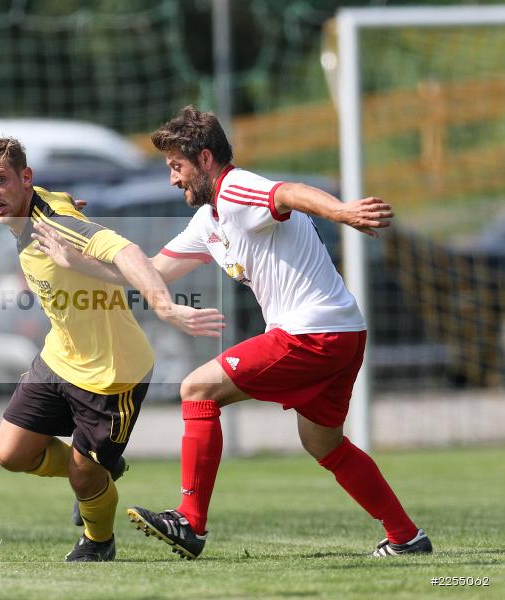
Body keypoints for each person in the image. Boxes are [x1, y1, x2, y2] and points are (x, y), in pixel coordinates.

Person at [32, 106, 432, 560]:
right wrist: (75, 259)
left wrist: (343, 212)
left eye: (176, 167)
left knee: (198, 388)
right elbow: (154, 272)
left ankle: (189, 522)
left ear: (205, 159)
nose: (172, 180)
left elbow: (290, 193)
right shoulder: (208, 221)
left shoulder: (236, 187)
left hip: (312, 333)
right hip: (338, 332)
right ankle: (406, 536)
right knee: (324, 443)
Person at [0, 137, 224, 562]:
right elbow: (58, 198)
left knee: (84, 480)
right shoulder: (33, 210)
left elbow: (127, 251)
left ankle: (98, 541)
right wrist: (65, 202)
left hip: (113, 374)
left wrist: (165, 308)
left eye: (1, 180)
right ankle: (98, 468)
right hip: (59, 359)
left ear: (25, 179)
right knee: (10, 453)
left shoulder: (56, 223)